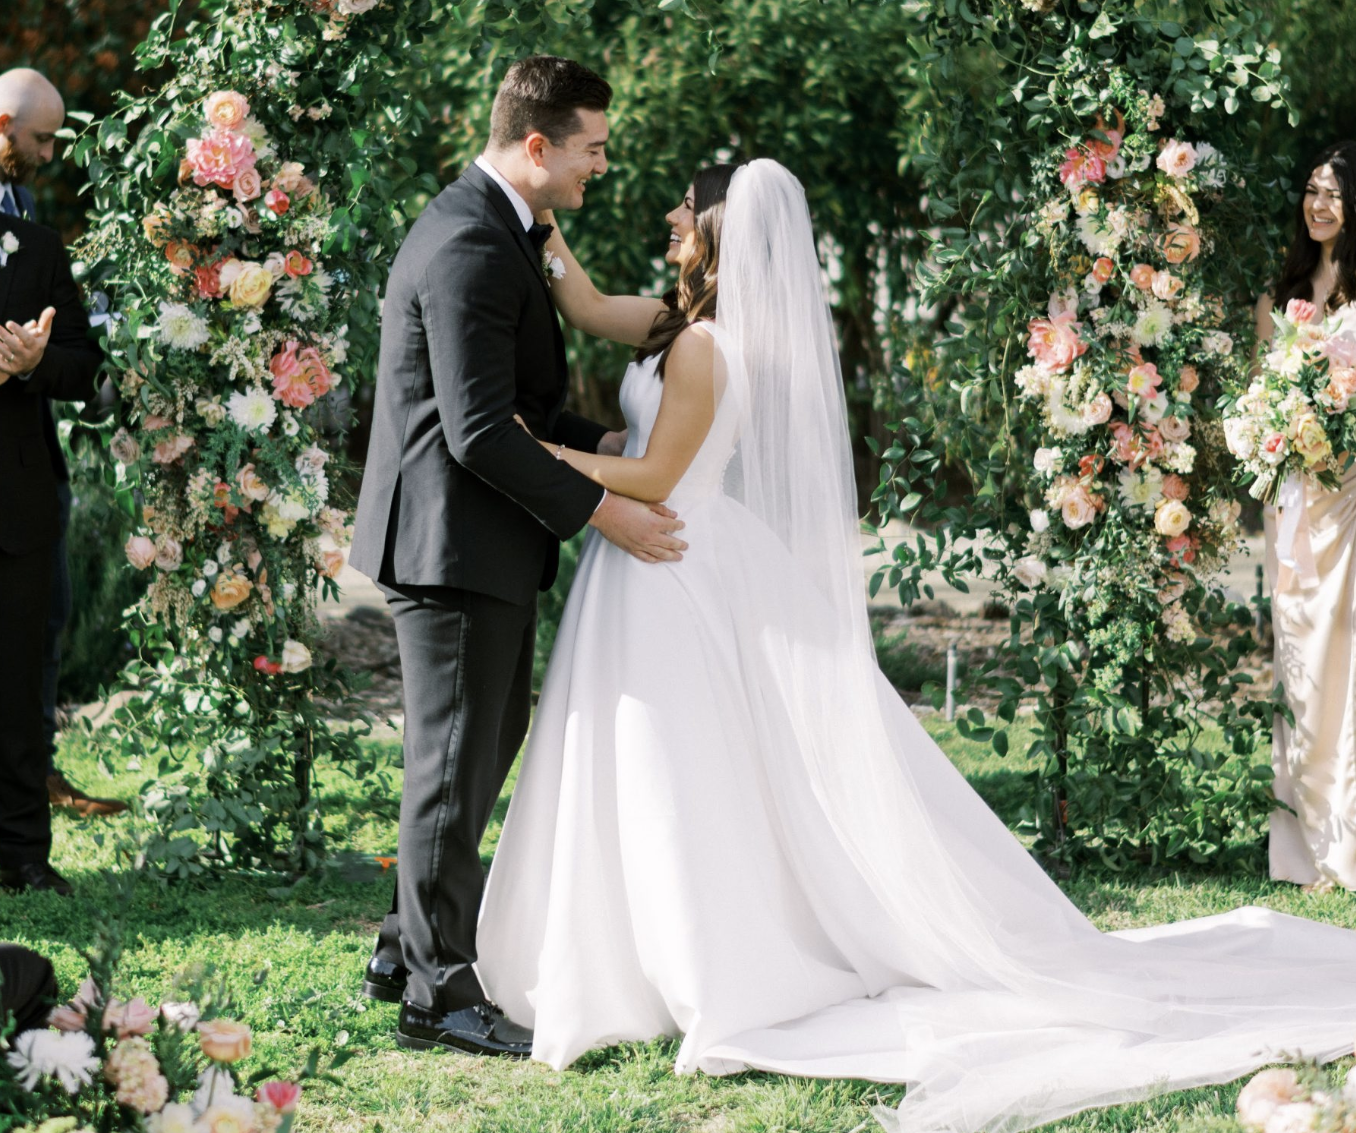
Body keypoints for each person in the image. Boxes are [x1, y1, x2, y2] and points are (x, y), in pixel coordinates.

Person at [479, 159, 1356, 1133]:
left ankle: (690, 955)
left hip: (671, 554)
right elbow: (591, 302)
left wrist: (532, 450)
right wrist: (528, 207)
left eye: (686, 212)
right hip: (646, 566)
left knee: (678, 772)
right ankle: (631, 952)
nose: (672, 222)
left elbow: (657, 469)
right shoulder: (673, 323)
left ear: (718, 231)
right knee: (656, 773)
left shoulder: (705, 349)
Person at [349, 56, 686, 1057]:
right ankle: (438, 992)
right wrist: (601, 510)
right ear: (536, 146)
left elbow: (513, 400)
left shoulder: (505, 228)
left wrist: (601, 438)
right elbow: (478, 431)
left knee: (480, 749)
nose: (603, 166)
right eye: (592, 148)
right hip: (452, 543)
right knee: (451, 768)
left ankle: (401, 946)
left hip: (480, 539)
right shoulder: (469, 243)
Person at [0, 66, 127, 821]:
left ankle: (31, 788)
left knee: (39, 633)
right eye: (43, 138)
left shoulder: (33, 230)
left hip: (23, 478)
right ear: (4, 124)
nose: (52, 154)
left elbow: (82, 362)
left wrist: (37, 361)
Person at [1257, 141, 1356, 891]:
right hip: (1293, 501)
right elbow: (1263, 392)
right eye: (1312, 190)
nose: (1318, 205)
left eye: (1333, 193)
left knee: (1343, 663)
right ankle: (1303, 850)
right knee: (1297, 660)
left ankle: (1343, 843)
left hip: (1348, 500)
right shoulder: (1284, 291)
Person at [0, 207, 101, 895]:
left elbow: (85, 367)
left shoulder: (34, 248)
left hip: (14, 502)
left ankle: (22, 853)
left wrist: (37, 363)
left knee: (17, 684)